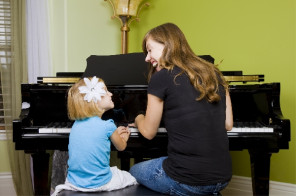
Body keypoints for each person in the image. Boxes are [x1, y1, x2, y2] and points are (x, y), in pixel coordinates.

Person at [129, 23, 233, 195]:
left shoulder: (161, 77)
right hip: (223, 178)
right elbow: (228, 124)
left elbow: (148, 132)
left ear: (167, 45)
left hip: (187, 181)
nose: (147, 58)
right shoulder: (214, 73)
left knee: (134, 171)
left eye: (149, 50)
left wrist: (138, 117)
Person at [51, 76, 137, 195]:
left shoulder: (76, 125)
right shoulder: (108, 125)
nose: (111, 94)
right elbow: (121, 147)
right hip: (100, 183)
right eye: (106, 91)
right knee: (130, 177)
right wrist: (125, 137)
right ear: (95, 100)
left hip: (74, 182)